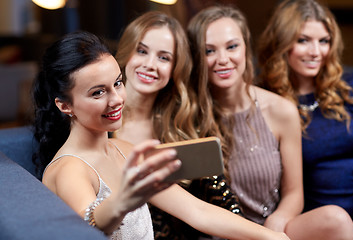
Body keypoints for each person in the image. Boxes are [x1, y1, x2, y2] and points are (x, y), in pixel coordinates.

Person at [32, 30, 290, 240]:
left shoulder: (125, 149)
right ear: (64, 105)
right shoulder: (69, 168)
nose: (116, 99)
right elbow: (91, 225)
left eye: (118, 83)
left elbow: (197, 211)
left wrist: (271, 237)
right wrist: (123, 200)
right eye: (98, 92)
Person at [113, 11, 291, 240]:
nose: (150, 65)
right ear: (127, 51)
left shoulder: (179, 127)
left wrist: (265, 235)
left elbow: (220, 203)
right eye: (142, 51)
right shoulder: (100, 122)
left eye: (164, 57)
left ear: (176, 67)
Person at [187, 5, 353, 239]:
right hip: (216, 231)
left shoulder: (280, 109)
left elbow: (293, 193)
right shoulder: (185, 114)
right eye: (209, 51)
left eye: (232, 46)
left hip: (271, 227)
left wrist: (273, 227)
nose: (223, 59)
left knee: (335, 219)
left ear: (246, 48)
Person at [257, 0, 353, 238]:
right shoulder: (267, 102)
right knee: (336, 219)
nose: (316, 52)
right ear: (282, 43)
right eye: (303, 40)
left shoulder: (351, 88)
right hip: (315, 221)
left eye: (324, 41)